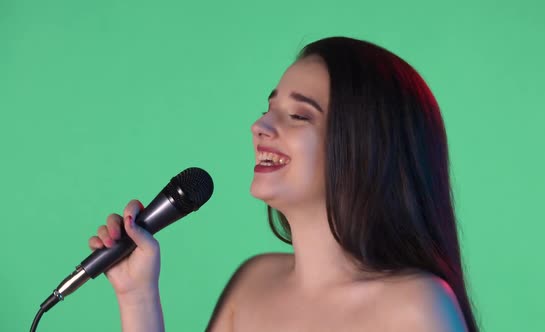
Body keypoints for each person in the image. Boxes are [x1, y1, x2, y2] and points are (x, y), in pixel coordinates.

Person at [89, 36, 478, 331]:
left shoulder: (416, 307)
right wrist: (137, 295)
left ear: (366, 147)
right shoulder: (251, 282)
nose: (260, 127)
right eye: (269, 110)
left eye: (298, 115)